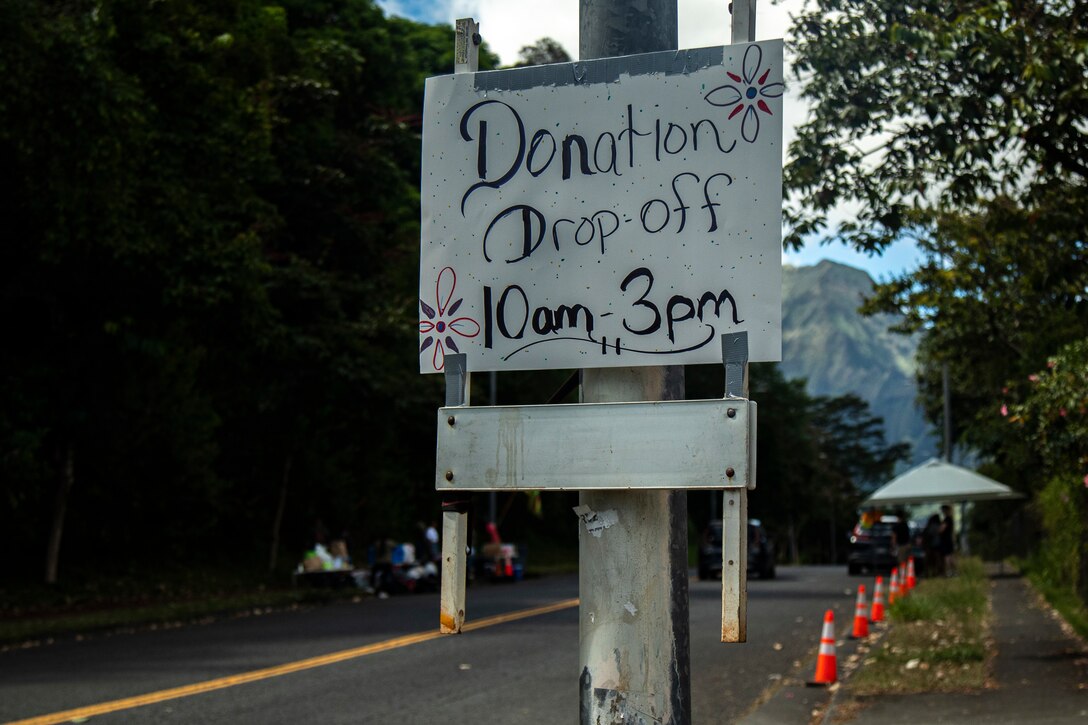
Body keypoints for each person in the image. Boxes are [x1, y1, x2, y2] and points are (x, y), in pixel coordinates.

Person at [940, 504, 956, 576]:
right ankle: (953, 571)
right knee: (950, 556)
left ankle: (950, 571)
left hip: (946, 540)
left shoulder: (947, 519)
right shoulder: (950, 519)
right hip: (948, 540)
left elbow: (941, 529)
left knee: (947, 556)